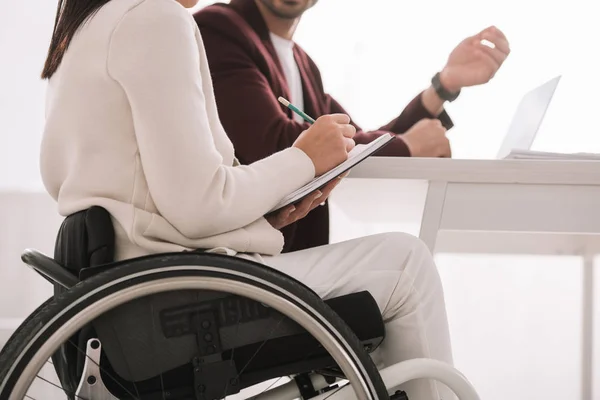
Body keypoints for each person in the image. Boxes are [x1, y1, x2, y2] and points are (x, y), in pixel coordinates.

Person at [40, 0, 454, 398]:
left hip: (125, 303)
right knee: (407, 265)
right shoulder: (156, 18)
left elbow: (154, 198)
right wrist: (302, 159)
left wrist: (266, 217)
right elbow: (198, 205)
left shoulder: (84, 29)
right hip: (172, 301)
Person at [194, 0, 511, 252]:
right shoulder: (219, 30)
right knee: (402, 262)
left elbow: (356, 142)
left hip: (290, 260)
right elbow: (275, 145)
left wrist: (441, 88)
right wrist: (408, 146)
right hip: (248, 259)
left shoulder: (305, 66)